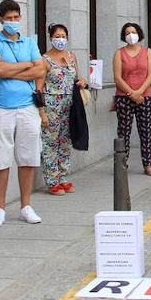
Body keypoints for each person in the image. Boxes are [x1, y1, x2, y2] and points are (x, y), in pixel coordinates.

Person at [0, 0, 45, 228]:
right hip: (0, 106)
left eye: (16, 17)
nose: (13, 22)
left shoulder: (29, 42)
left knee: (28, 157)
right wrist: (26, 67)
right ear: (0, 19)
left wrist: (12, 71)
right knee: (0, 158)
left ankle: (26, 205)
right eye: (8, 18)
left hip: (28, 105)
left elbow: (41, 69)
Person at [41, 23, 91, 193]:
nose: (60, 39)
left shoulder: (71, 56)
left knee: (65, 141)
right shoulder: (45, 60)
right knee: (50, 143)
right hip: (51, 106)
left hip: (70, 105)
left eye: (63, 36)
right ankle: (52, 180)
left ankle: (63, 176)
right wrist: (42, 112)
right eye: (57, 36)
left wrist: (83, 81)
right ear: (51, 38)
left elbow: (76, 77)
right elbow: (39, 87)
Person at [113, 22, 151, 177]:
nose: (131, 35)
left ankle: (148, 163)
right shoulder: (119, 53)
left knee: (145, 131)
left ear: (139, 33)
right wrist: (132, 93)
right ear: (124, 36)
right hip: (124, 97)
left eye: (133, 32)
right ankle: (121, 163)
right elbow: (118, 78)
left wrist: (140, 92)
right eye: (127, 33)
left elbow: (150, 76)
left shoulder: (147, 52)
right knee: (123, 132)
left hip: (145, 96)